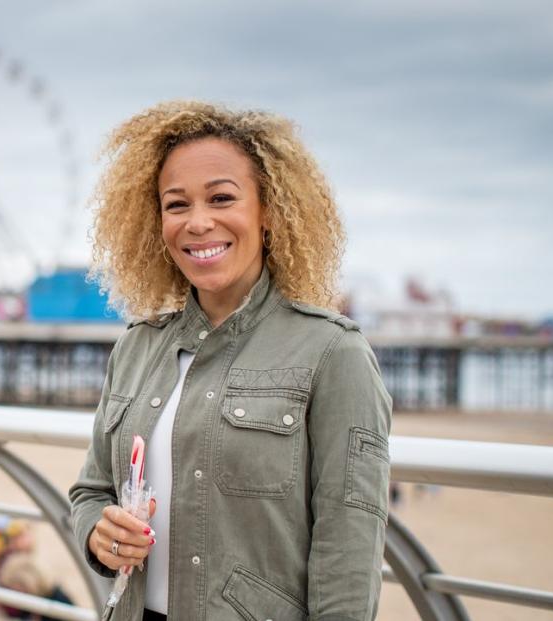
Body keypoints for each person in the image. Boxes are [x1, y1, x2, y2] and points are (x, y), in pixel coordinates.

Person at [69, 101, 391, 621]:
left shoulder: (334, 353)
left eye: (222, 198)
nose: (198, 222)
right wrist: (98, 535)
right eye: (176, 205)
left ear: (269, 212)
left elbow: (348, 550)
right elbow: (91, 490)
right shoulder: (136, 347)